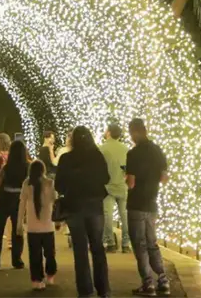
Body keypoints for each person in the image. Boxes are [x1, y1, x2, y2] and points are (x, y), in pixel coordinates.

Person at [55, 126, 110, 298]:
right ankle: (104, 289)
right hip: (95, 207)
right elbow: (106, 178)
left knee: (80, 250)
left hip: (74, 207)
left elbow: (59, 185)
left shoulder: (66, 158)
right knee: (97, 248)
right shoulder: (97, 156)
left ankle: (85, 290)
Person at [126, 118, 170, 296]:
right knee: (152, 243)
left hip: (136, 204)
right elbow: (164, 177)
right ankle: (163, 280)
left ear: (135, 132)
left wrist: (128, 180)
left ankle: (148, 283)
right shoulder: (157, 150)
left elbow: (131, 183)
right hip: (152, 203)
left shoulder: (133, 153)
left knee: (140, 244)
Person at [0, 140, 29, 270]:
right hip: (19, 200)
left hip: (5, 198)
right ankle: (17, 260)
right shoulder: (28, 167)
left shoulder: (6, 167)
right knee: (17, 230)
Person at [17, 160, 58, 290]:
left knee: (34, 255)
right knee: (50, 253)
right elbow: (55, 202)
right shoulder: (50, 183)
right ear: (43, 170)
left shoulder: (26, 183)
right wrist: (58, 220)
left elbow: (21, 205)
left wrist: (19, 224)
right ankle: (50, 274)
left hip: (32, 227)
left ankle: (36, 280)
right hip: (48, 226)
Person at [100, 123, 130, 253]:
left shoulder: (102, 149)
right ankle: (125, 244)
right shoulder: (125, 149)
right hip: (122, 186)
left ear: (109, 133)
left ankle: (110, 243)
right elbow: (128, 168)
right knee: (125, 216)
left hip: (107, 187)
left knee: (107, 215)